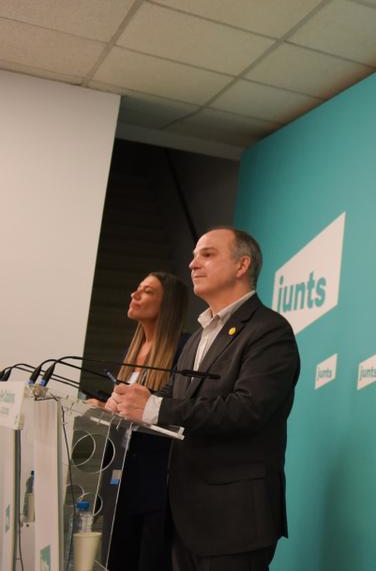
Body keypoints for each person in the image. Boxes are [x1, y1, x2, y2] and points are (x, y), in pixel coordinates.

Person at [110, 227, 300, 571]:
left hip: (234, 521)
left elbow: (248, 409)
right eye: (194, 255)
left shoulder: (269, 330)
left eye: (207, 254)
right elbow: (177, 397)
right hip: (185, 517)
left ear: (242, 266)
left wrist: (153, 406)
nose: (193, 263)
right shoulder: (198, 336)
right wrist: (129, 403)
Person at [98, 271, 188, 571]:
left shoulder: (184, 349)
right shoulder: (134, 350)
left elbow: (173, 411)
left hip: (157, 483)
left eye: (146, 291)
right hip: (123, 477)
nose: (134, 295)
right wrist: (102, 406)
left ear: (168, 304)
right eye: (136, 288)